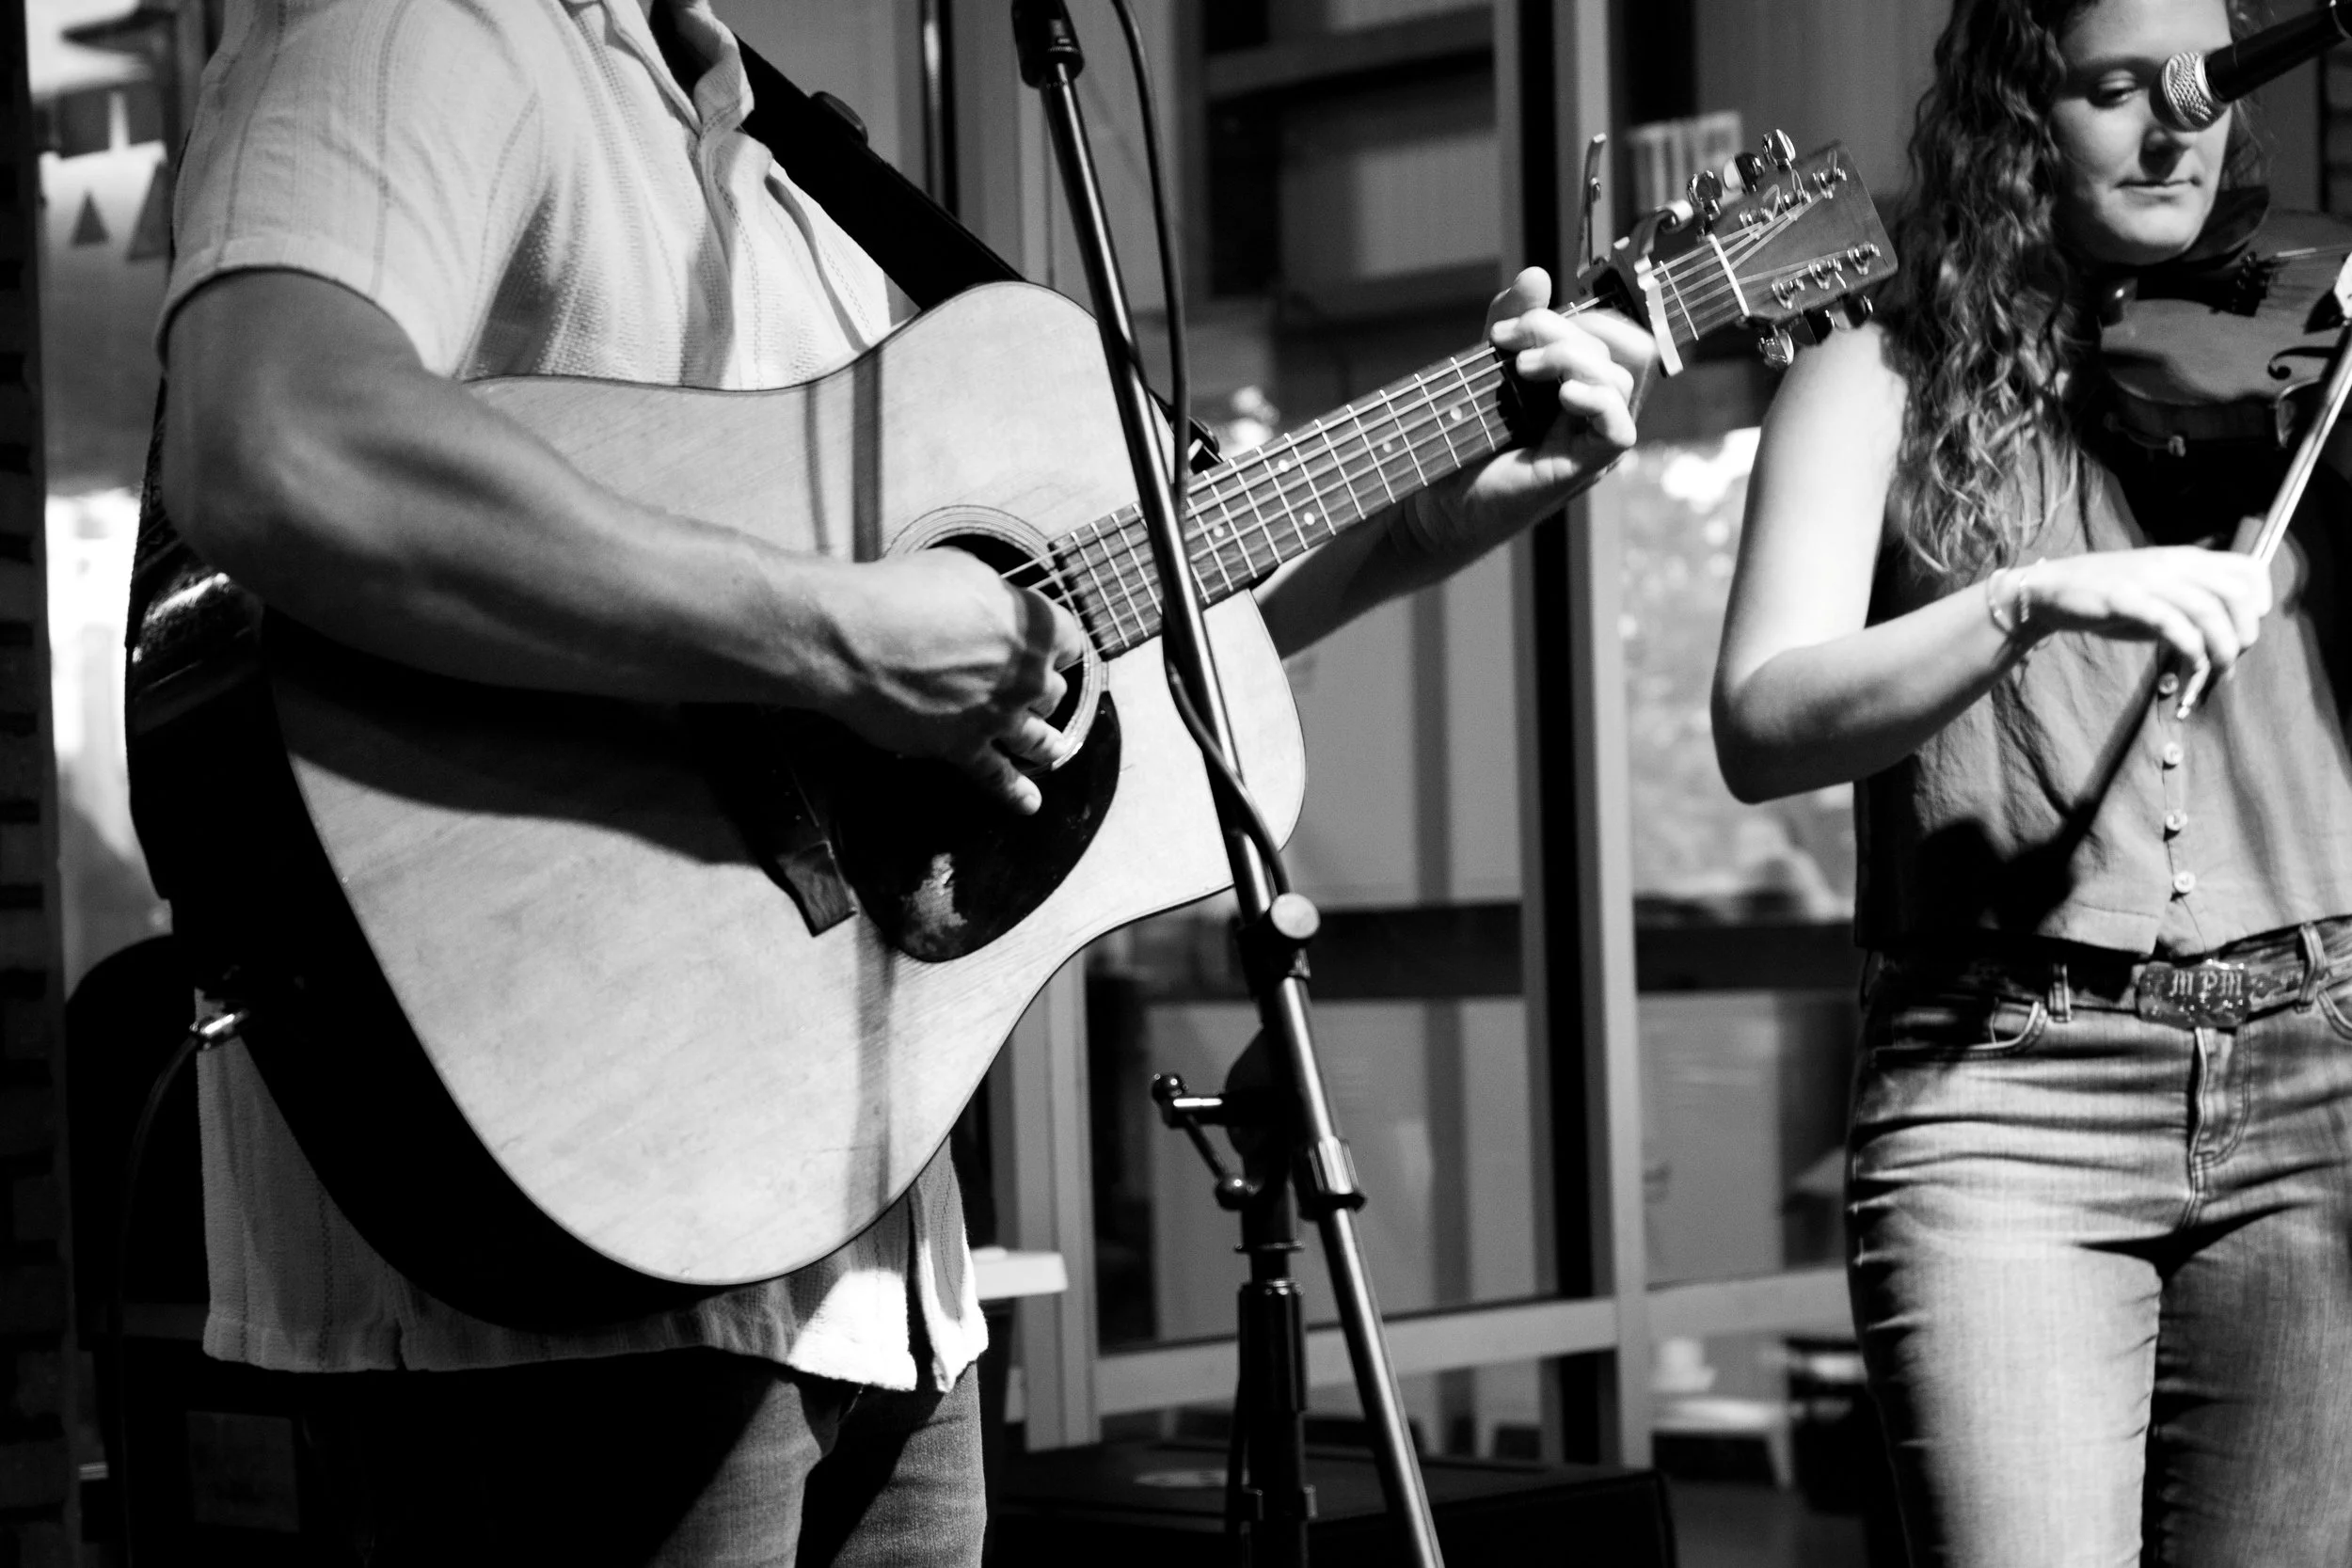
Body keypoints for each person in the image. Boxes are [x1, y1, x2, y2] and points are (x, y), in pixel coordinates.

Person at [151, 2, 1656, 1563]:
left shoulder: (786, 164)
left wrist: (1415, 525)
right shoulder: (424, 26)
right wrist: (840, 637)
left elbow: (1058, 642)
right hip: (550, 1293)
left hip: (875, 1276)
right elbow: (274, 438)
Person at [1713, 0, 2352, 1561]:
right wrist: (2023, 601)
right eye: (2116, 91)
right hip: (2008, 1087)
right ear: (2018, 118)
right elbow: (1761, 720)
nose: (2172, 131)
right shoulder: (1873, 376)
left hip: (2320, 1067)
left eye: (2208, 90)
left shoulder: (2305, 351)